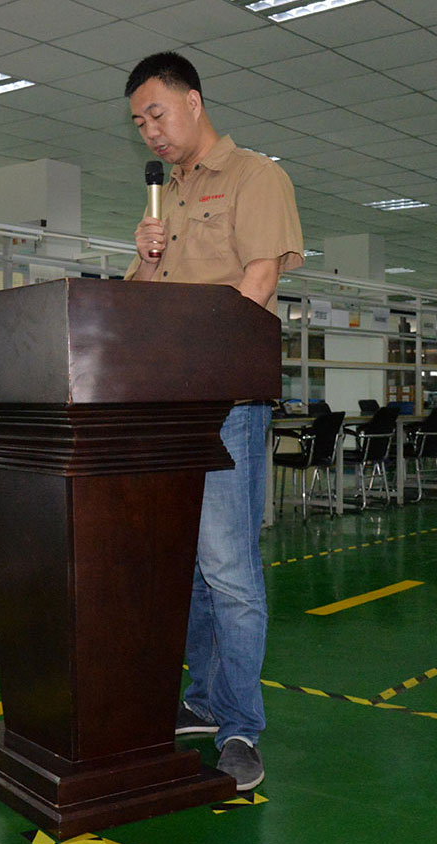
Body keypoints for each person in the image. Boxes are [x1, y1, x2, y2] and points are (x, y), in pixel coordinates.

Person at [123, 51, 304, 791]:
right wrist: (143, 258)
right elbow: (141, 304)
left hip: (224, 403)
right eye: (138, 123)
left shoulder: (257, 177)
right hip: (167, 409)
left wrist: (197, 368)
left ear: (193, 102)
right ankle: (201, 699)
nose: (149, 131)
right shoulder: (163, 198)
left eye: (157, 113)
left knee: (228, 569)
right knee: (185, 566)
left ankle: (240, 725)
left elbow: (259, 281)